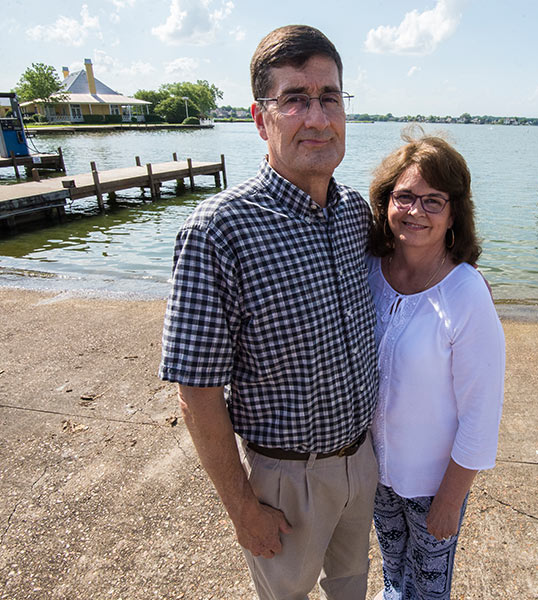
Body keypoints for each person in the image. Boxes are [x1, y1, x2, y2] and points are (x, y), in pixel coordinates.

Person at [159, 25, 379, 600]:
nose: (316, 117)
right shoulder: (219, 231)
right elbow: (197, 391)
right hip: (284, 477)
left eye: (329, 97)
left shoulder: (355, 213)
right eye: (294, 100)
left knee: (352, 587)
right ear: (261, 120)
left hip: (361, 460)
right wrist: (241, 508)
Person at [366, 135, 505, 600]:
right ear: (386, 202)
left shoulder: (465, 293)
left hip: (433, 485)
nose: (415, 211)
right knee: (392, 578)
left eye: (433, 200)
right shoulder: (370, 270)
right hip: (376, 476)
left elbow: (481, 413)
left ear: (453, 213)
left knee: (425, 593)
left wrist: (450, 499)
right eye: (404, 196)